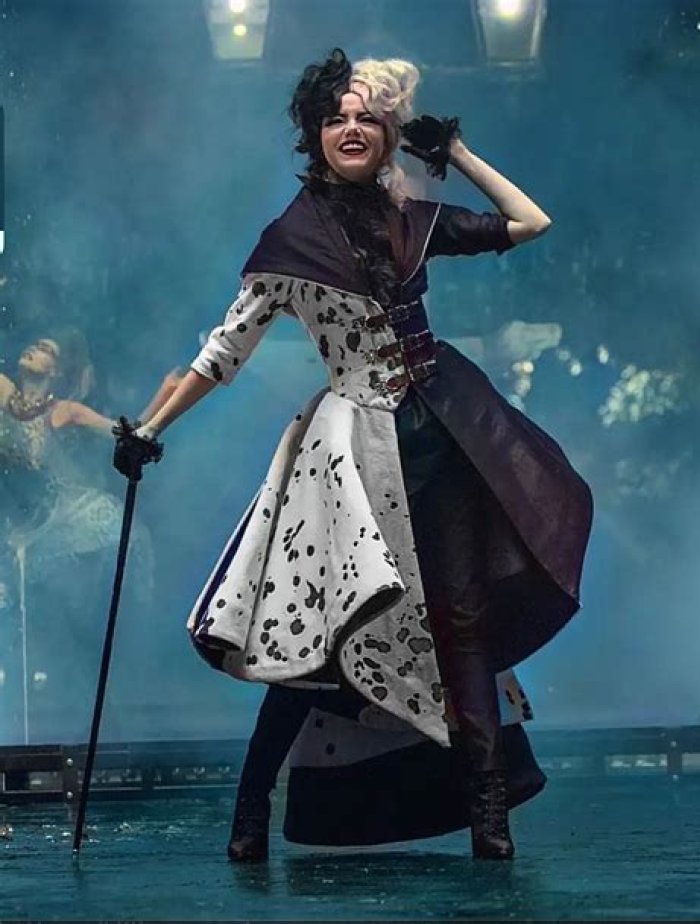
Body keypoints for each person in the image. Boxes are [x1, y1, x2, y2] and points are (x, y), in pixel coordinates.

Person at [114, 49, 592, 861]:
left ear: (389, 136)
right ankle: (250, 812)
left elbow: (530, 222)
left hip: (440, 433)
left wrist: (458, 154)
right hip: (351, 452)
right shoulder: (289, 240)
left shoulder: (412, 219)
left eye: (368, 117)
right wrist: (150, 429)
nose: (351, 129)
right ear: (315, 134)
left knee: (461, 624)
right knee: (326, 635)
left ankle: (491, 822)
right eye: (336, 118)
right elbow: (222, 353)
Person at [0, 328, 178, 739]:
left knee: (71, 627)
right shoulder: (4, 391)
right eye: (35, 343)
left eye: (47, 349)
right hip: (19, 523)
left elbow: (129, 433)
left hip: (69, 521)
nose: (35, 347)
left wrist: (167, 393)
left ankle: (99, 714)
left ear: (56, 370)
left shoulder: (66, 410)